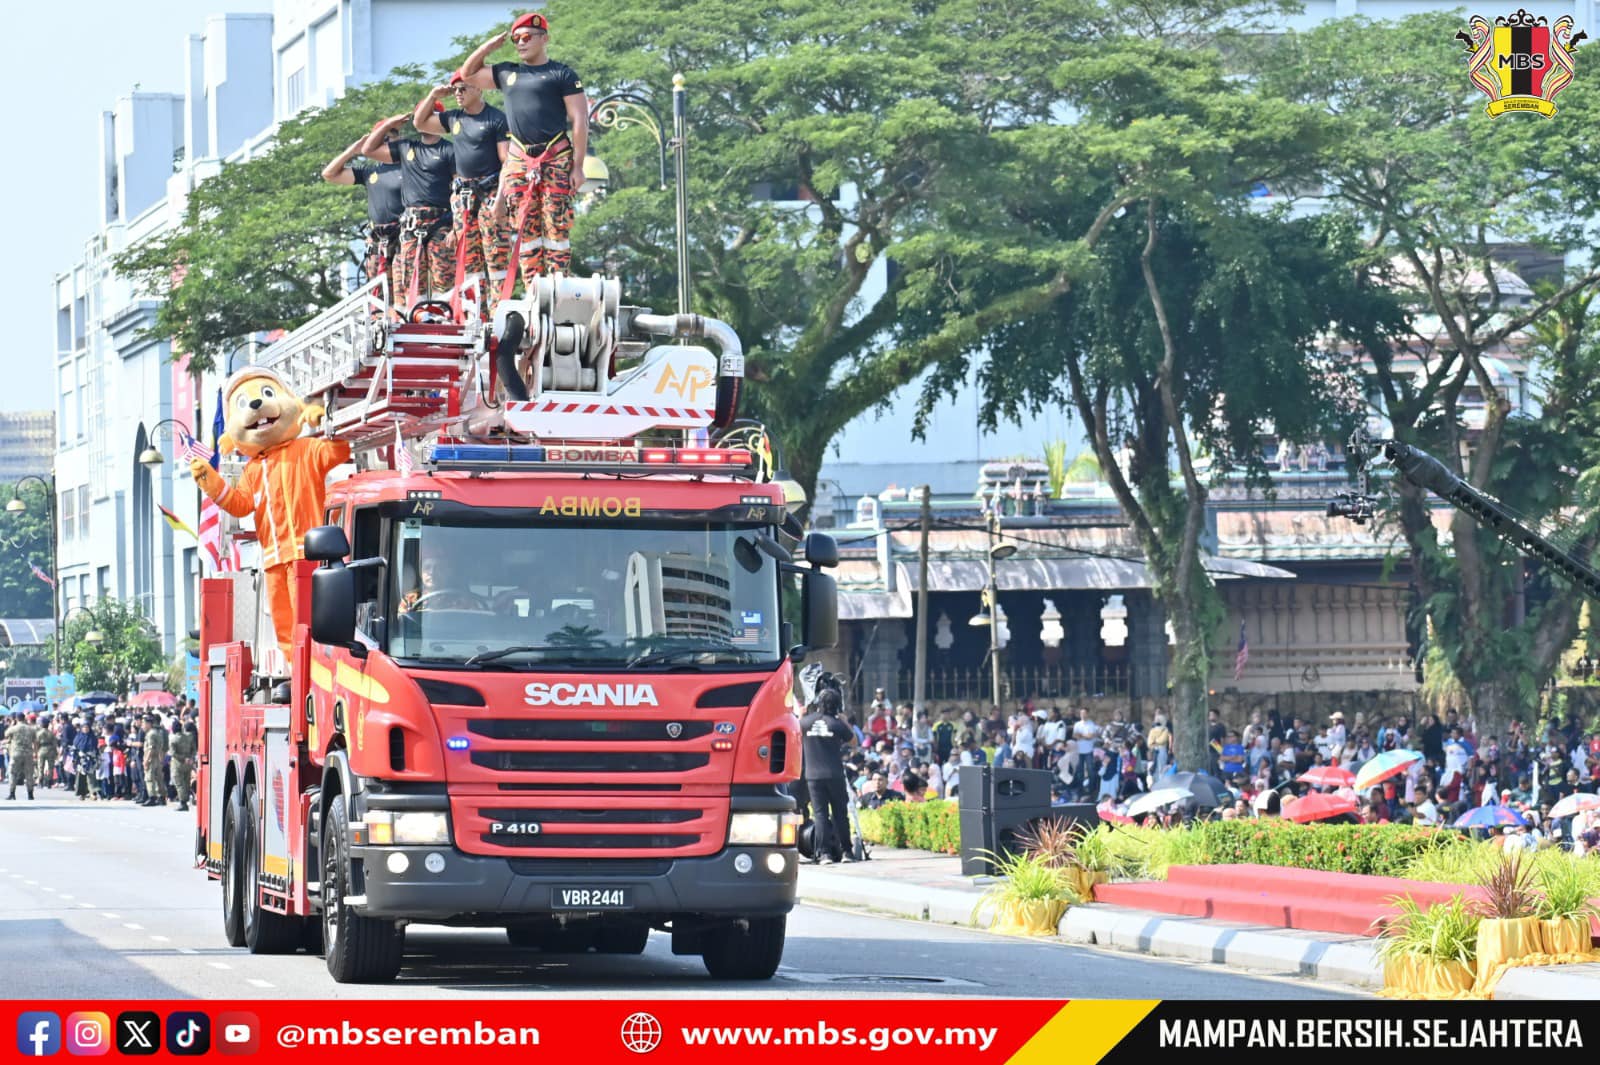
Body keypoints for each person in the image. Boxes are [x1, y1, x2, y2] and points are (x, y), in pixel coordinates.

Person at [459, 12, 588, 288]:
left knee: (556, 227)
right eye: (516, 39)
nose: (520, 43)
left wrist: (578, 166)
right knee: (526, 231)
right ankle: (534, 291)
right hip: (520, 162)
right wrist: (488, 48)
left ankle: (558, 289)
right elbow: (467, 72)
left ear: (544, 38)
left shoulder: (562, 74)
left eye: (527, 37)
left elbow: (579, 119)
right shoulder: (507, 72)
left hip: (555, 158)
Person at [414, 73, 512, 312]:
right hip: (463, 200)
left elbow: (506, 161)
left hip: (489, 194)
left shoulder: (496, 119)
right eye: (455, 89)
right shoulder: (454, 118)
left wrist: (501, 199)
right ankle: (476, 313)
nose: (458, 93)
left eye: (463, 89)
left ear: (479, 89)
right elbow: (420, 122)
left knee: (495, 256)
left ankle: (500, 312)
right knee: (469, 260)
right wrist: (433, 96)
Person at [361, 112, 457, 308]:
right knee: (410, 282)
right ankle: (416, 318)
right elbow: (368, 149)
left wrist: (457, 225)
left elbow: (458, 188)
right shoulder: (407, 147)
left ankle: (443, 318)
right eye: (422, 115)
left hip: (441, 222)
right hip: (412, 225)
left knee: (443, 278)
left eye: (430, 115)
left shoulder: (449, 150)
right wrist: (389, 122)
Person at [322, 128, 405, 297]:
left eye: (389, 139)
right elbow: (329, 174)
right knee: (378, 294)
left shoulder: (411, 167)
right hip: (378, 241)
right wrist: (352, 151)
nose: (385, 144)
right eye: (380, 140)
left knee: (402, 290)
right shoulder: (370, 172)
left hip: (403, 238)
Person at [799, 688, 856, 863]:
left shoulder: (805, 723)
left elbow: (794, 732)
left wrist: (802, 715)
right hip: (835, 774)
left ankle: (824, 854)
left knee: (820, 814)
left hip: (813, 776)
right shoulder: (836, 723)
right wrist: (845, 722)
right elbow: (854, 742)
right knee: (840, 813)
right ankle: (846, 851)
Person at [398, 554, 484, 613]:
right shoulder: (409, 600)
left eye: (439, 568)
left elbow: (476, 623)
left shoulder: (464, 600)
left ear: (448, 572)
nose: (432, 572)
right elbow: (402, 624)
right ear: (421, 572)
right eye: (427, 568)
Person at [5, 712, 37, 800]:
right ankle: (30, 794)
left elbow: (6, 734)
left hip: (16, 752)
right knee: (29, 774)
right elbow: (35, 742)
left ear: (16, 719)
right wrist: (35, 753)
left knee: (13, 773)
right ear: (24, 718)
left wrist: (12, 724)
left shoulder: (14, 728)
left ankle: (12, 793)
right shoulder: (31, 729)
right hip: (28, 753)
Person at [142, 714, 169, 807]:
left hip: (152, 758)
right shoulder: (158, 732)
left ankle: (152, 797)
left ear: (149, 724)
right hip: (157, 757)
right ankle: (161, 797)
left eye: (144, 723)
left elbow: (151, 748)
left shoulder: (151, 734)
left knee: (149, 778)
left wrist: (146, 760)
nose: (143, 725)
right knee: (159, 778)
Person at [171, 722, 198, 812]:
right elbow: (194, 749)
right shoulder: (189, 737)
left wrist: (183, 759)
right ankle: (185, 801)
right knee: (186, 782)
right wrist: (190, 758)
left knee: (179, 783)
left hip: (178, 764)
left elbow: (173, 753)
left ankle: (183, 803)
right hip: (188, 763)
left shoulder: (174, 739)